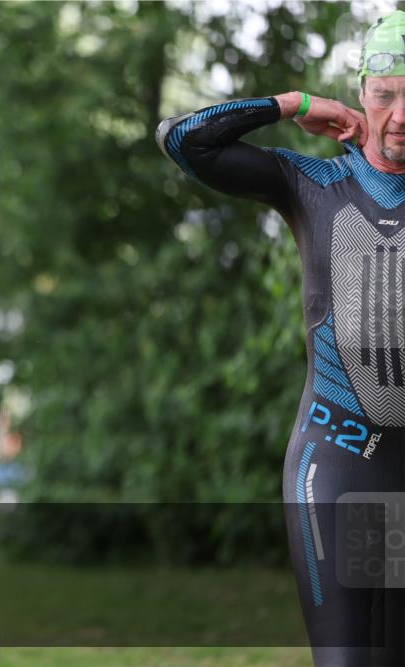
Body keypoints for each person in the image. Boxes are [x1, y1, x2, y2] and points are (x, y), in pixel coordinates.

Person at [157, 12, 405, 667]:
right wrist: (291, 103)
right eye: (386, 94)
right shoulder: (313, 183)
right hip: (338, 459)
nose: (400, 113)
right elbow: (183, 139)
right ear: (362, 94)